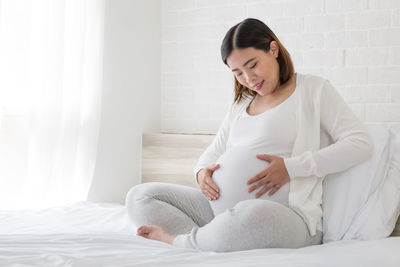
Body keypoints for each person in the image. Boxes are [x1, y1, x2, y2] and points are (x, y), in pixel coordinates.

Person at [125, 18, 374, 252]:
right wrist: (200, 172)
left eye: (252, 65)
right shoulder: (241, 104)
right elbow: (213, 151)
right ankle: (213, 239)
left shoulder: (313, 90)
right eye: (237, 72)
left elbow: (360, 143)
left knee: (249, 214)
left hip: (286, 216)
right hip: (220, 212)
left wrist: (291, 168)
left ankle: (180, 242)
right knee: (140, 196)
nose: (248, 78)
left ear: (273, 49)